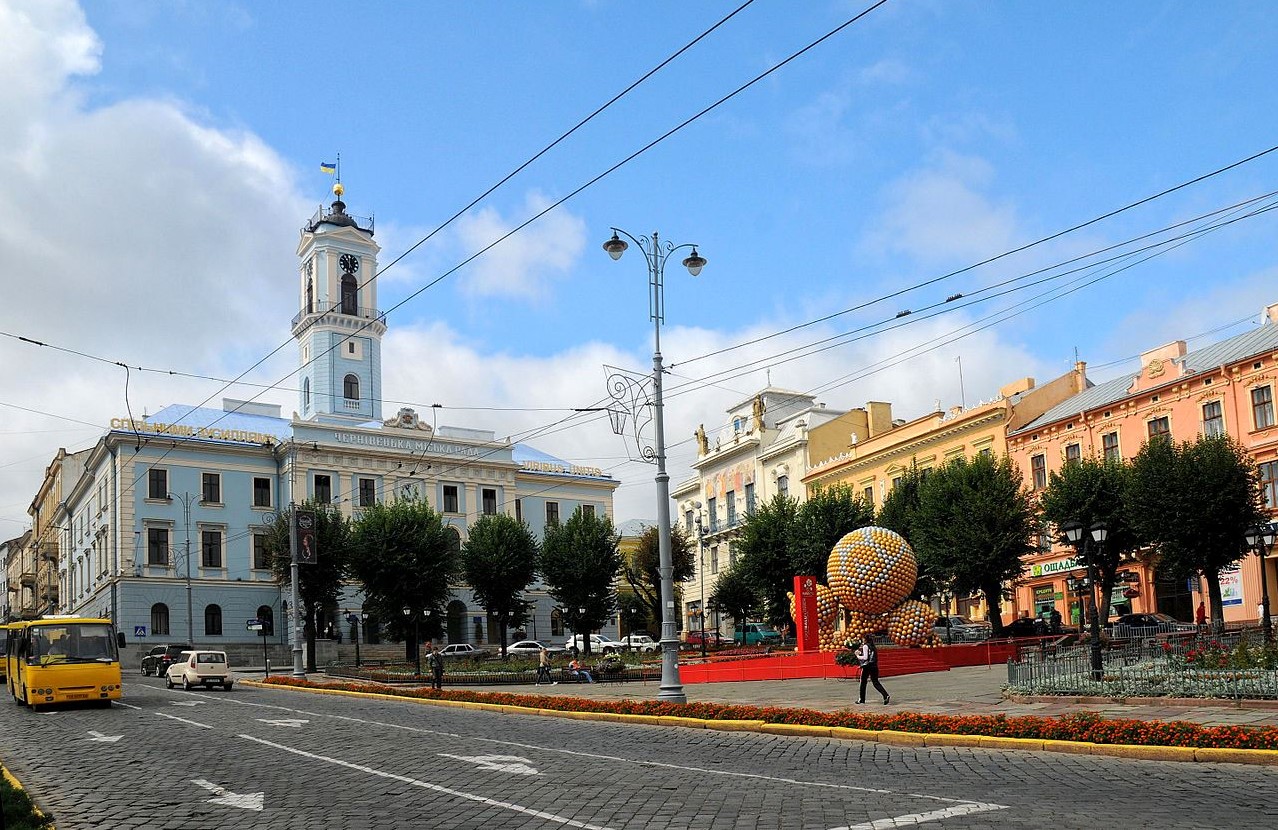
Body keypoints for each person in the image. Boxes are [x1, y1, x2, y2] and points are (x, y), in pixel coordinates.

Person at [854, 635, 889, 705]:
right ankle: (885, 695)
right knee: (875, 682)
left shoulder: (865, 646)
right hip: (874, 666)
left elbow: (865, 657)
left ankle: (861, 699)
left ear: (865, 639)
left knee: (863, 682)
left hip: (867, 666)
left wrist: (858, 656)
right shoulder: (873, 647)